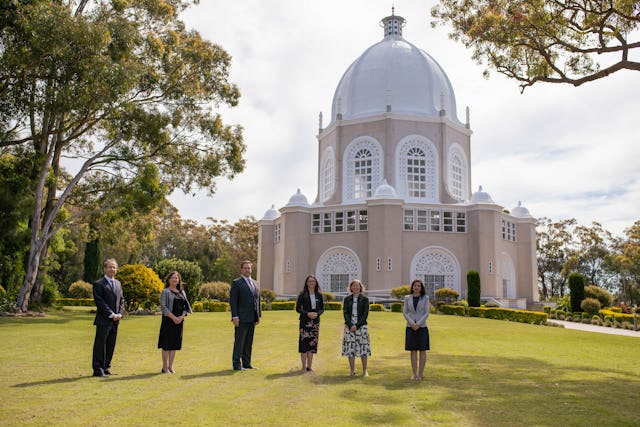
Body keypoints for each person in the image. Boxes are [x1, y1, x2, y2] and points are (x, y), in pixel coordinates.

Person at [92, 258, 125, 377]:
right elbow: (100, 302)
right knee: (100, 345)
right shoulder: (98, 284)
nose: (112, 269)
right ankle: (98, 369)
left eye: (114, 267)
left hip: (116, 321)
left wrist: (120, 313)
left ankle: (106, 367)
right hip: (104, 320)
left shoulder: (118, 283)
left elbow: (121, 300)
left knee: (111, 345)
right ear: (105, 269)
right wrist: (111, 314)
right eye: (110, 267)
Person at [158, 271, 192, 374]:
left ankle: (171, 366)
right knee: (166, 345)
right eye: (172, 278)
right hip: (168, 321)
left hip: (179, 322)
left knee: (174, 345)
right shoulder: (165, 291)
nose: (174, 280)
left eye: (176, 278)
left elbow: (186, 307)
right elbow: (163, 307)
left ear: (179, 280)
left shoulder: (182, 292)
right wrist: (174, 318)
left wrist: (181, 317)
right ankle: (164, 368)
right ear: (169, 280)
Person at [230, 260, 261, 371]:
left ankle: (247, 363)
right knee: (239, 342)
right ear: (241, 269)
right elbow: (233, 301)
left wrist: (258, 316)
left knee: (249, 342)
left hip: (252, 317)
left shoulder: (255, 283)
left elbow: (257, 300)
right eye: (245, 268)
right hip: (241, 318)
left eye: (249, 268)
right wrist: (235, 316)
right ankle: (236, 364)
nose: (248, 270)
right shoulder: (236, 283)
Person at [296, 275, 325, 373]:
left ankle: (310, 367)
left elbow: (322, 308)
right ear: (307, 283)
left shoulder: (319, 295)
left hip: (315, 322)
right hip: (305, 321)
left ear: (316, 283)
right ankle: (303, 367)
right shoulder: (302, 294)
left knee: (312, 344)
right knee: (304, 344)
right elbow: (298, 308)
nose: (311, 283)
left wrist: (317, 314)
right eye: (310, 281)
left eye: (313, 281)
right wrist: (307, 313)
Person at [342, 279, 371, 376]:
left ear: (360, 287)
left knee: (364, 348)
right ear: (350, 288)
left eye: (357, 285)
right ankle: (352, 370)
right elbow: (345, 313)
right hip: (349, 326)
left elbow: (365, 314)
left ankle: (364, 371)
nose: (355, 287)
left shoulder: (365, 299)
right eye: (353, 285)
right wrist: (350, 325)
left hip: (361, 326)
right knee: (350, 348)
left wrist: (357, 325)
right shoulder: (347, 299)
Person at [403, 279, 430, 380]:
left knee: (422, 350)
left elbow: (426, 313)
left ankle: (420, 374)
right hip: (410, 327)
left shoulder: (425, 298)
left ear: (421, 287)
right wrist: (412, 323)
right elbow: (405, 313)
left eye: (418, 286)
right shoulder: (407, 298)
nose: (416, 287)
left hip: (422, 327)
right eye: (415, 285)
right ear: (412, 287)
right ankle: (414, 374)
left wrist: (418, 324)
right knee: (413, 351)